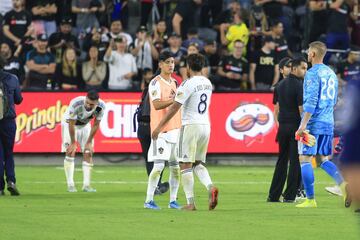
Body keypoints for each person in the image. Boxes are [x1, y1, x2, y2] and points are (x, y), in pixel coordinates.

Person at [152, 53, 219, 211]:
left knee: (185, 164)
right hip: (205, 125)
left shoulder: (187, 84)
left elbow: (175, 107)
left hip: (190, 126)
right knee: (198, 164)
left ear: (188, 67)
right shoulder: (208, 83)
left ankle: (190, 203)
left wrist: (160, 126)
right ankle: (210, 186)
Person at [296, 41, 347, 208]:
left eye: (309, 51)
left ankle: (310, 199)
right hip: (328, 121)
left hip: (313, 122)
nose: (308, 54)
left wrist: (303, 124)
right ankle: (344, 186)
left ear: (312, 54)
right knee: (324, 159)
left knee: (305, 159)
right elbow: (334, 101)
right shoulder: (331, 73)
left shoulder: (312, 73)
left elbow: (311, 101)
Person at [143, 51, 181, 210]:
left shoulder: (174, 83)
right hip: (161, 132)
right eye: (167, 62)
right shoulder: (155, 83)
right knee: (158, 167)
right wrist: (175, 99)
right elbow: (157, 104)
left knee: (176, 168)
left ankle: (173, 201)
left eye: (172, 62)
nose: (171, 65)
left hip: (175, 131)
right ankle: (149, 200)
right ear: (160, 64)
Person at [267, 58, 306, 203]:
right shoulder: (299, 86)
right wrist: (305, 128)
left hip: (283, 127)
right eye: (303, 68)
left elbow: (277, 108)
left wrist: (279, 124)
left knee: (281, 161)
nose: (305, 71)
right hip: (295, 127)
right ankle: (290, 195)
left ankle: (273, 195)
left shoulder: (279, 85)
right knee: (295, 161)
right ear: (295, 69)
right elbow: (301, 110)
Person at [62, 90, 106, 193]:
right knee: (70, 152)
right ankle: (70, 185)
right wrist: (73, 143)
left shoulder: (101, 106)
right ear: (85, 98)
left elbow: (96, 124)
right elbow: (71, 124)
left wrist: (89, 142)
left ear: (96, 102)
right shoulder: (76, 103)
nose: (88, 105)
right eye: (87, 102)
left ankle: (86, 185)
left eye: (91, 104)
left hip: (85, 125)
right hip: (69, 125)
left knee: (88, 153)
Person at [136, 68, 169, 195]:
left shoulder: (147, 89)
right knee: (159, 157)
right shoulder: (159, 88)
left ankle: (156, 185)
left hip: (142, 126)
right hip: (152, 126)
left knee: (150, 158)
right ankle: (156, 186)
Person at [0, 54, 23, 196]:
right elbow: (19, 100)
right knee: (9, 153)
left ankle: (0, 187)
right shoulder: (12, 78)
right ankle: (11, 181)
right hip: (8, 121)